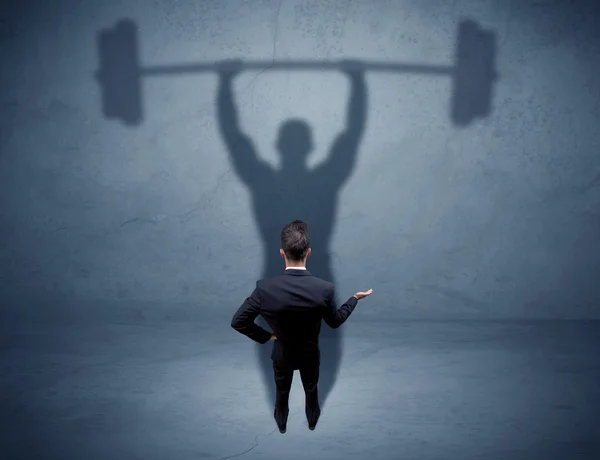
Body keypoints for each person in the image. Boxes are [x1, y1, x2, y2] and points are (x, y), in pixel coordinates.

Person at [231, 220, 373, 433]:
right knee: (311, 390)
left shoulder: (264, 288)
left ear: (281, 253)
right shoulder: (324, 289)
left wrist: (268, 336)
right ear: (308, 252)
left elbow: (238, 321)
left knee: (281, 393)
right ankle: (312, 423)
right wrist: (354, 299)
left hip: (282, 354)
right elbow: (335, 322)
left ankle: (281, 426)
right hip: (310, 354)